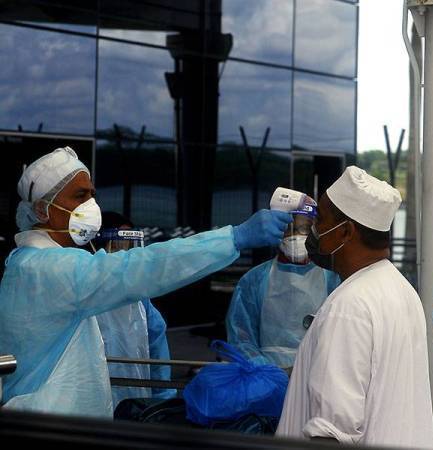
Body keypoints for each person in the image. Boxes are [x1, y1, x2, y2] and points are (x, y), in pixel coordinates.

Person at [0, 146, 292, 418]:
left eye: (92, 194)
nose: (91, 204)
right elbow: (146, 265)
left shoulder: (35, 263)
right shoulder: (46, 269)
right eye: (79, 196)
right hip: (47, 424)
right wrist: (233, 238)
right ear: (42, 210)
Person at [276, 166, 433, 448]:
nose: (313, 231)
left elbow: (332, 431)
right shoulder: (401, 289)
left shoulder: (349, 307)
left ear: (345, 232)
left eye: (320, 222)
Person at [225, 194, 339, 368]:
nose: (295, 236)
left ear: (315, 233)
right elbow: (241, 339)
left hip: (317, 376)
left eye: (304, 229)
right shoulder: (254, 280)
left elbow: (340, 338)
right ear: (275, 231)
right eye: (288, 229)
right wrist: (266, 373)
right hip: (267, 381)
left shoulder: (333, 280)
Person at [91, 211, 175, 408]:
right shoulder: (82, 292)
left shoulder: (139, 298)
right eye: (121, 244)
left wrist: (161, 401)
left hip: (136, 397)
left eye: (131, 245)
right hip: (90, 399)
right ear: (98, 244)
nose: (128, 253)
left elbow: (157, 349)